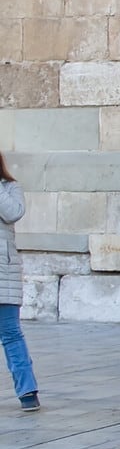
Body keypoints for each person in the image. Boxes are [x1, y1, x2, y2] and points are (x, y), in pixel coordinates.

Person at [0, 151, 38, 410]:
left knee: (11, 333)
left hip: (4, 273)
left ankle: (28, 393)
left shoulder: (11, 188)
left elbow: (13, 213)